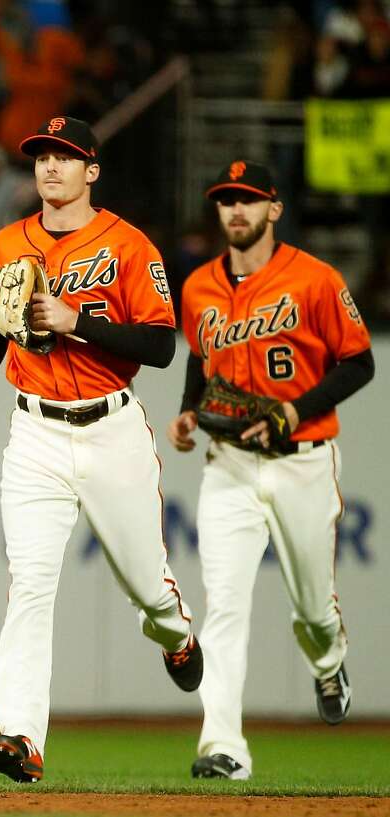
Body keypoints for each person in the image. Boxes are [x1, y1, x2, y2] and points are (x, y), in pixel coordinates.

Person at [0, 116, 200, 783]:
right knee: (31, 584)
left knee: (145, 585)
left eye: (65, 157)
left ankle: (176, 635)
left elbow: (160, 346)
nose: (51, 167)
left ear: (91, 170)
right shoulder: (9, 241)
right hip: (35, 430)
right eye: (42, 156)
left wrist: (78, 322)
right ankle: (20, 733)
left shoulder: (128, 246)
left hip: (111, 428)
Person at [168, 161, 374, 781]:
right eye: (227, 200)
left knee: (313, 610)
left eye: (249, 200)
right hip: (227, 463)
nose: (236, 211)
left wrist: (294, 410)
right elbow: (201, 363)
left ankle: (329, 658)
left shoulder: (315, 279)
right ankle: (223, 747)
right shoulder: (200, 285)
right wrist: (185, 413)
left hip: (302, 462)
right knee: (224, 607)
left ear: (273, 210)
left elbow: (359, 363)